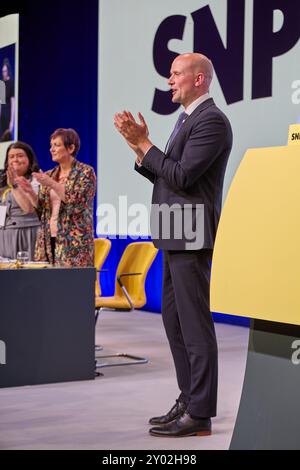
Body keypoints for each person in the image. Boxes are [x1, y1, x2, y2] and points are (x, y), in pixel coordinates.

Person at [114, 53, 232, 437]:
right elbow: (167, 177)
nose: (170, 80)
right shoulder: (185, 120)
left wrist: (145, 142)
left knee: (194, 326)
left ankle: (200, 413)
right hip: (174, 233)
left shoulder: (211, 120)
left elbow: (181, 176)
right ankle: (188, 397)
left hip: (192, 236)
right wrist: (138, 148)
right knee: (174, 321)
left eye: (176, 73)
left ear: (200, 79)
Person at [17, 128, 96, 266]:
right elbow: (42, 209)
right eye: (51, 145)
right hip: (48, 239)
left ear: (71, 148)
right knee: (47, 284)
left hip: (73, 242)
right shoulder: (50, 174)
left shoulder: (85, 172)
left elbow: (77, 202)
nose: (51, 149)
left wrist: (51, 184)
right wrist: (29, 191)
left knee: (70, 285)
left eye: (56, 145)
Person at [0, 141, 40, 260]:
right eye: (11, 157)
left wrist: (15, 185)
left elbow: (28, 209)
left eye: (20, 156)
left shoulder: (36, 180)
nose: (15, 159)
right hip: (4, 235)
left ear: (29, 160)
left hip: (26, 234)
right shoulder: (2, 182)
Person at [0, 58, 15, 140]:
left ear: (8, 71)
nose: (4, 73)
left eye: (5, 71)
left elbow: (13, 102)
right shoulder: (2, 84)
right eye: (2, 71)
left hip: (8, 114)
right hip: (2, 115)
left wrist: (11, 121)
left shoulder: (12, 83)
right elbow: (1, 102)